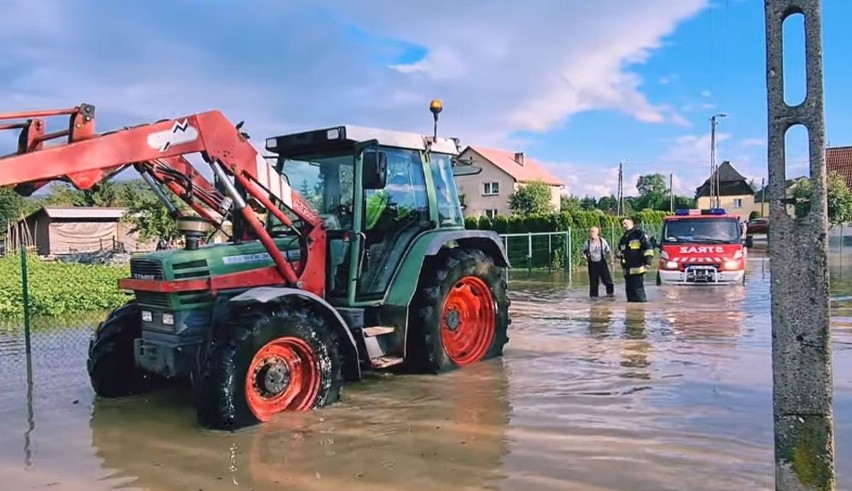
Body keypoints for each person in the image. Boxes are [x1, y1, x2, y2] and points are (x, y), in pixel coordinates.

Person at [616, 217, 655, 302]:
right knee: (629, 292)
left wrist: (648, 261)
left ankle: (641, 309)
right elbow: (621, 250)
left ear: (631, 223)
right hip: (627, 269)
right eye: (623, 224)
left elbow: (648, 248)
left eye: (625, 223)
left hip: (638, 268)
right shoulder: (623, 238)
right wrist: (619, 255)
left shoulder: (639, 234)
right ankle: (631, 312)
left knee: (638, 290)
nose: (624, 226)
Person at [582, 226, 614, 297]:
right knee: (593, 285)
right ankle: (594, 302)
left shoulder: (602, 241)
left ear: (597, 233)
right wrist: (584, 257)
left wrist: (611, 261)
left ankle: (610, 297)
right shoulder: (587, 243)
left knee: (608, 282)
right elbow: (584, 252)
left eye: (593, 232)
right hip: (592, 265)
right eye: (590, 232)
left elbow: (608, 251)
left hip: (602, 264)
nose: (591, 233)